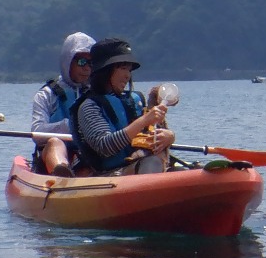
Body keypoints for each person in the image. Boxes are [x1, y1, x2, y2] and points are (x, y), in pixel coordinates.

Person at [70, 38, 173, 175]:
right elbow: (105, 146)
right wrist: (144, 120)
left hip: (140, 168)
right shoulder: (89, 106)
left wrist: (168, 137)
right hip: (110, 176)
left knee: (170, 167)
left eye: (129, 70)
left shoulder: (135, 100)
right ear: (105, 71)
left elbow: (152, 135)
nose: (127, 75)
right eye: (123, 68)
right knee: (152, 162)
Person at [31, 32, 95, 176]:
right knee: (55, 142)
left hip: (86, 156)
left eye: (91, 63)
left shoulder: (97, 94)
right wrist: (67, 126)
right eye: (81, 62)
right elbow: (37, 132)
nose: (87, 68)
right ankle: (62, 173)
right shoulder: (47, 94)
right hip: (55, 153)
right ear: (68, 61)